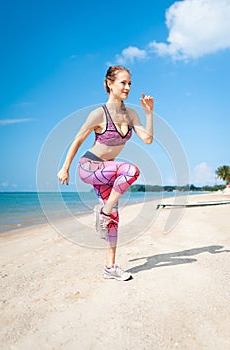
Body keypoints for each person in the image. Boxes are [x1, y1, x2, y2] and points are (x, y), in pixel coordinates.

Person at [57, 65, 153, 281]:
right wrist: (65, 168)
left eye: (130, 83)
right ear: (109, 84)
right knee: (131, 170)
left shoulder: (131, 115)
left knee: (113, 219)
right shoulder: (98, 113)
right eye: (123, 82)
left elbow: (147, 139)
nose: (128, 87)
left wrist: (149, 113)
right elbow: (78, 139)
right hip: (89, 167)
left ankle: (110, 267)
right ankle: (104, 211)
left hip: (109, 173)